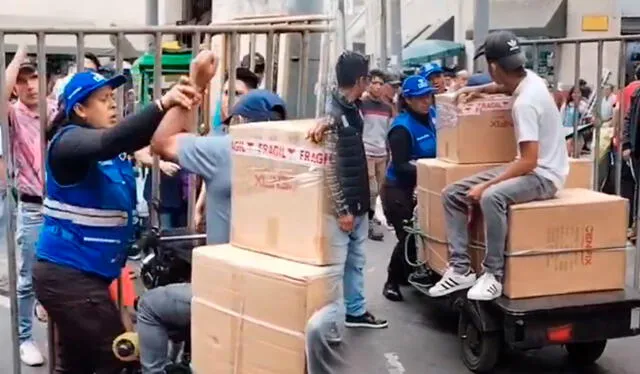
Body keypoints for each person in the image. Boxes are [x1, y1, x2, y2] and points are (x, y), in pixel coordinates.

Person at [31, 70, 198, 373]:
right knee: (119, 356)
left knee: (76, 365)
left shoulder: (110, 152)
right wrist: (161, 103)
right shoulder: (67, 144)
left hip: (85, 275)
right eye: (103, 99)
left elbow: (140, 137)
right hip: (67, 276)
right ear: (79, 110)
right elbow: (110, 141)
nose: (113, 105)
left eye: (113, 98)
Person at [139, 52, 287, 373]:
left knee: (151, 307)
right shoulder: (298, 162)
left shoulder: (228, 150)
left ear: (243, 124)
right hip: (282, 296)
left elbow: (163, 142)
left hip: (227, 291)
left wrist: (196, 83)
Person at [427, 30, 569, 301]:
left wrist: (486, 185)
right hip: (532, 168)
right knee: (452, 193)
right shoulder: (531, 81)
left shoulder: (525, 104)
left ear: (493, 66)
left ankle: (493, 275)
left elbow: (529, 161)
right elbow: (505, 87)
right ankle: (460, 270)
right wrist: (476, 89)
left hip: (545, 176)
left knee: (492, 197)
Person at [4, 46, 57, 366]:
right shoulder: (12, 113)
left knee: (66, 273)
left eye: (35, 77)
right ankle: (24, 337)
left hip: (65, 204)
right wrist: (20, 53)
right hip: (33, 205)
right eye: (22, 80)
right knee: (27, 277)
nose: (30, 85)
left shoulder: (57, 109)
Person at [381, 75, 437, 302]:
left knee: (424, 233)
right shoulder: (401, 128)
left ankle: (408, 271)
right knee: (407, 236)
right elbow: (401, 165)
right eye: (420, 98)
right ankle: (391, 281)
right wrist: (433, 170)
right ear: (409, 100)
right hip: (399, 189)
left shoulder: (434, 117)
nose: (426, 101)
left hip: (425, 187)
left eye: (428, 96)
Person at [361, 69, 394, 241]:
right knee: (372, 189)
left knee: (377, 189)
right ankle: (369, 221)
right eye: (374, 83)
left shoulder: (387, 108)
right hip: (366, 152)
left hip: (382, 154)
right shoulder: (362, 105)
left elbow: (388, 132)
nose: (378, 87)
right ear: (368, 84)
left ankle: (367, 216)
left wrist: (389, 152)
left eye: (381, 83)